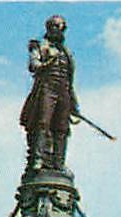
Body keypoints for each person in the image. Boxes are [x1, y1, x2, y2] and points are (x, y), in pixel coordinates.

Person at [19, 15, 77, 173]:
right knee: (43, 123)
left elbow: (69, 79)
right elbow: (33, 66)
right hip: (47, 88)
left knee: (62, 128)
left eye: (62, 27)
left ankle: (58, 162)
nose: (59, 30)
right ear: (49, 28)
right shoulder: (39, 45)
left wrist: (74, 103)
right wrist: (46, 64)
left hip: (63, 90)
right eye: (56, 26)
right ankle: (38, 159)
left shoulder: (66, 52)